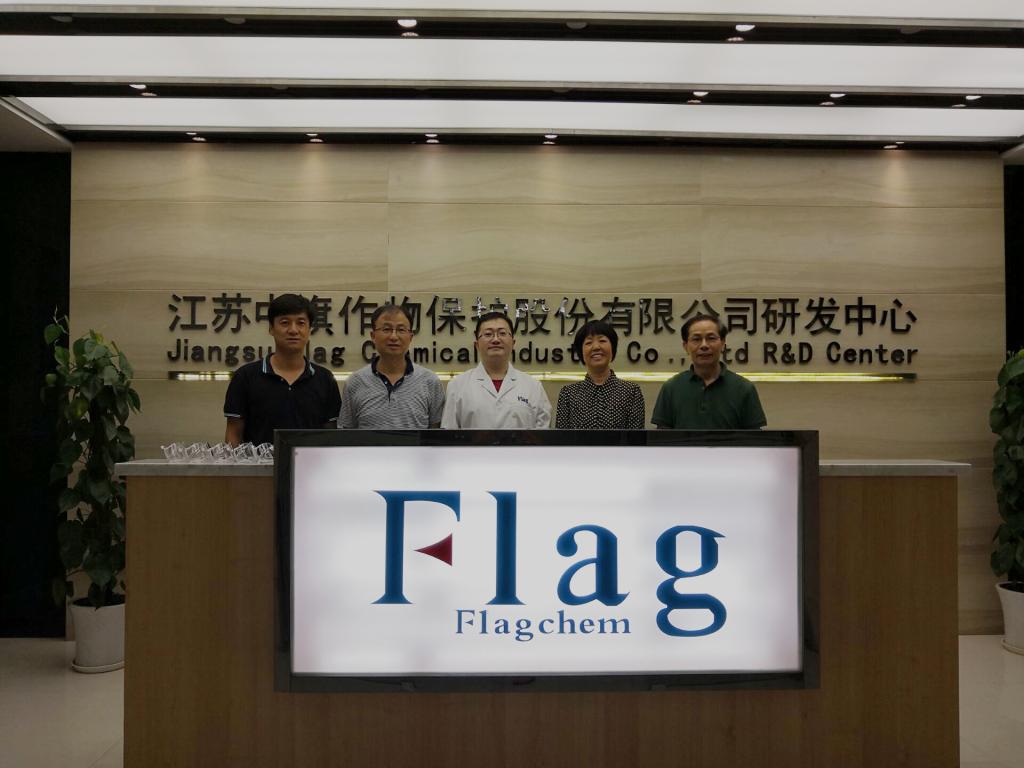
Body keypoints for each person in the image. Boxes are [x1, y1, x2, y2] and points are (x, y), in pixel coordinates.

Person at [223, 293, 341, 445]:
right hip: (260, 462)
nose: (293, 330)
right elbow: (233, 434)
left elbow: (331, 436)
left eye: (301, 323)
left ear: (309, 329)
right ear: (271, 329)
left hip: (310, 461)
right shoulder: (245, 377)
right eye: (285, 323)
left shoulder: (325, 379)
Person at [652, 313, 766, 430]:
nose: (704, 345)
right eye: (696, 339)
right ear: (685, 346)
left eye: (711, 338)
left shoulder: (744, 388)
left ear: (723, 343)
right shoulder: (671, 388)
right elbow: (661, 437)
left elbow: (754, 438)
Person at [338, 303, 444, 429]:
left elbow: (436, 434)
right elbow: (346, 433)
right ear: (373, 336)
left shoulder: (430, 381)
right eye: (386, 329)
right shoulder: (355, 382)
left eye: (401, 330)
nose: (393, 337)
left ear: (410, 337)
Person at [441, 311, 551, 429]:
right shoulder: (457, 385)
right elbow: (449, 434)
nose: (496, 339)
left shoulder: (533, 387)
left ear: (513, 343)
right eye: (488, 334)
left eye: (502, 333)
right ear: (477, 345)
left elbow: (542, 435)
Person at [555, 319, 645, 429]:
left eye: (602, 341)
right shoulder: (568, 394)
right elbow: (562, 437)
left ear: (613, 348)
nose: (596, 347)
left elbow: (636, 438)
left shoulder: (631, 392)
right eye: (589, 343)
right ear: (581, 352)